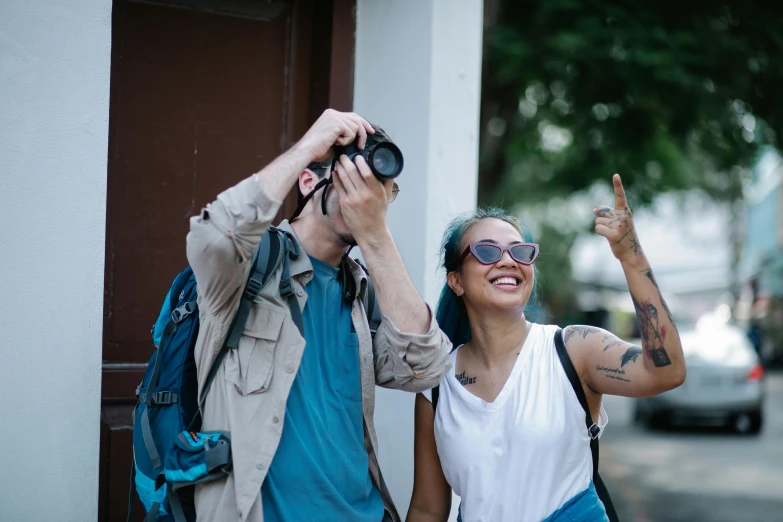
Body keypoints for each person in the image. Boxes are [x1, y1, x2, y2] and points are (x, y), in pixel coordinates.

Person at [187, 109, 452, 522]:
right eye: (352, 179)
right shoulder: (250, 268)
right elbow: (212, 236)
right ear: (309, 181)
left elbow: (426, 367)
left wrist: (375, 235)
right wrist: (309, 146)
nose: (365, 195)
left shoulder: (362, 289)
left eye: (381, 190)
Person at [407, 175, 686, 522]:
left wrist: (631, 256)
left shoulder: (573, 350)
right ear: (456, 280)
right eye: (487, 250)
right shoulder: (437, 384)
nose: (508, 260)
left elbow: (668, 371)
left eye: (521, 251)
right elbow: (427, 508)